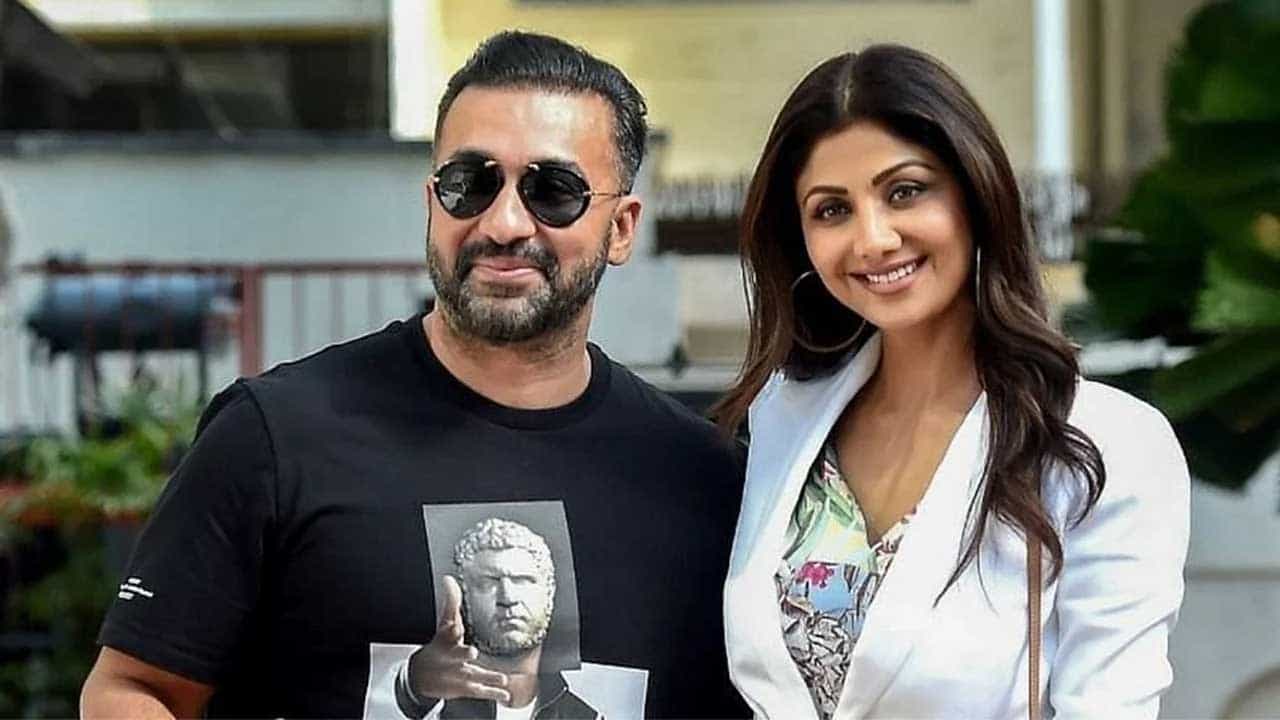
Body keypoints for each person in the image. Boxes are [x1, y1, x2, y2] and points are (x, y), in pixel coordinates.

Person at [81, 31, 747, 719]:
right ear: (432, 202)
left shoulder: (703, 479)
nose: (505, 223)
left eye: (554, 191)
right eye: (470, 184)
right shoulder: (277, 436)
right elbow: (133, 689)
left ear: (623, 227)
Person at [713, 44, 1190, 719]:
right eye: (831, 210)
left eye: (904, 191)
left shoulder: (1102, 444)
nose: (873, 239)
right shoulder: (784, 416)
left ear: (974, 193)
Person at [389, 518, 598, 719]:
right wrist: (412, 683)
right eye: (488, 582)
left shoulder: (588, 717)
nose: (507, 598)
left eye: (522, 580)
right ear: (465, 596)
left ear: (549, 594)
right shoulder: (433, 700)